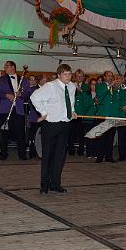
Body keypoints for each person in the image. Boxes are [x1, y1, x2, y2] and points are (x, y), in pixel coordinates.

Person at [30, 64, 76, 194]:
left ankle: (55, 184)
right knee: (48, 155)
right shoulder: (51, 86)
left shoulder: (72, 87)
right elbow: (34, 97)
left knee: (60, 156)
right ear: (59, 75)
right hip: (51, 124)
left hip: (65, 124)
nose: (68, 77)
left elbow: (71, 101)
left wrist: (72, 111)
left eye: (69, 74)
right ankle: (44, 185)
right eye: (65, 74)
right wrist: (43, 112)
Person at [0, 61, 30, 160]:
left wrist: (21, 94)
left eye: (6, 66)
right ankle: (3, 155)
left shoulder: (23, 80)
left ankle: (22, 155)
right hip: (5, 110)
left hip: (18, 110)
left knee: (20, 133)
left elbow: (28, 93)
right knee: (4, 133)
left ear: (12, 67)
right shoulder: (0, 80)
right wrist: (6, 95)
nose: (4, 68)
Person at [94, 71, 118, 163]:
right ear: (104, 77)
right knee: (102, 137)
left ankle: (109, 156)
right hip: (103, 115)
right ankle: (99, 156)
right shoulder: (100, 86)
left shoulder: (114, 87)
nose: (110, 77)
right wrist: (110, 85)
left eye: (112, 76)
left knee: (110, 137)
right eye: (108, 75)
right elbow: (100, 94)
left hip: (112, 115)